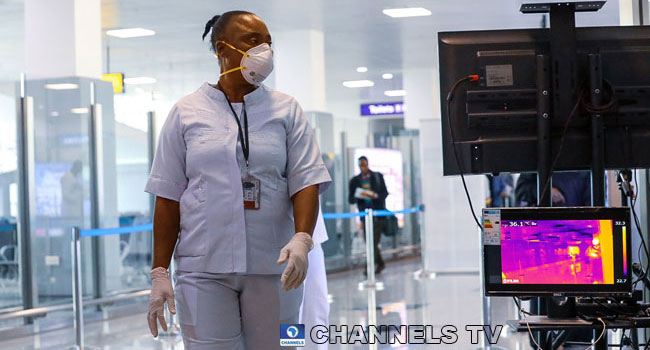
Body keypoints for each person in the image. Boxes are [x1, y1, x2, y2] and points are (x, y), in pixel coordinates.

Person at [144, 10, 331, 349]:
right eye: (254, 41)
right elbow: (167, 197)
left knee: (284, 345)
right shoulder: (186, 113)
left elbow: (306, 181)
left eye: (269, 43)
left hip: (277, 267)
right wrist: (159, 273)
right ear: (222, 49)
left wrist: (302, 239)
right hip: (203, 270)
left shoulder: (287, 110)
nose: (266, 51)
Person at [348, 156, 388, 274]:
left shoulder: (377, 177)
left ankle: (368, 267)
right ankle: (380, 263)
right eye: (361, 165)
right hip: (365, 216)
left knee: (373, 242)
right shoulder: (355, 181)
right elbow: (350, 199)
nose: (363, 168)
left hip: (378, 214)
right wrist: (360, 195)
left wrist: (374, 195)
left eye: (365, 165)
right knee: (369, 242)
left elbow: (384, 193)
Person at [299, 206, 329, 350]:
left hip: (312, 235)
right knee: (292, 313)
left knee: (317, 307)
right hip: (281, 238)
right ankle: (292, 346)